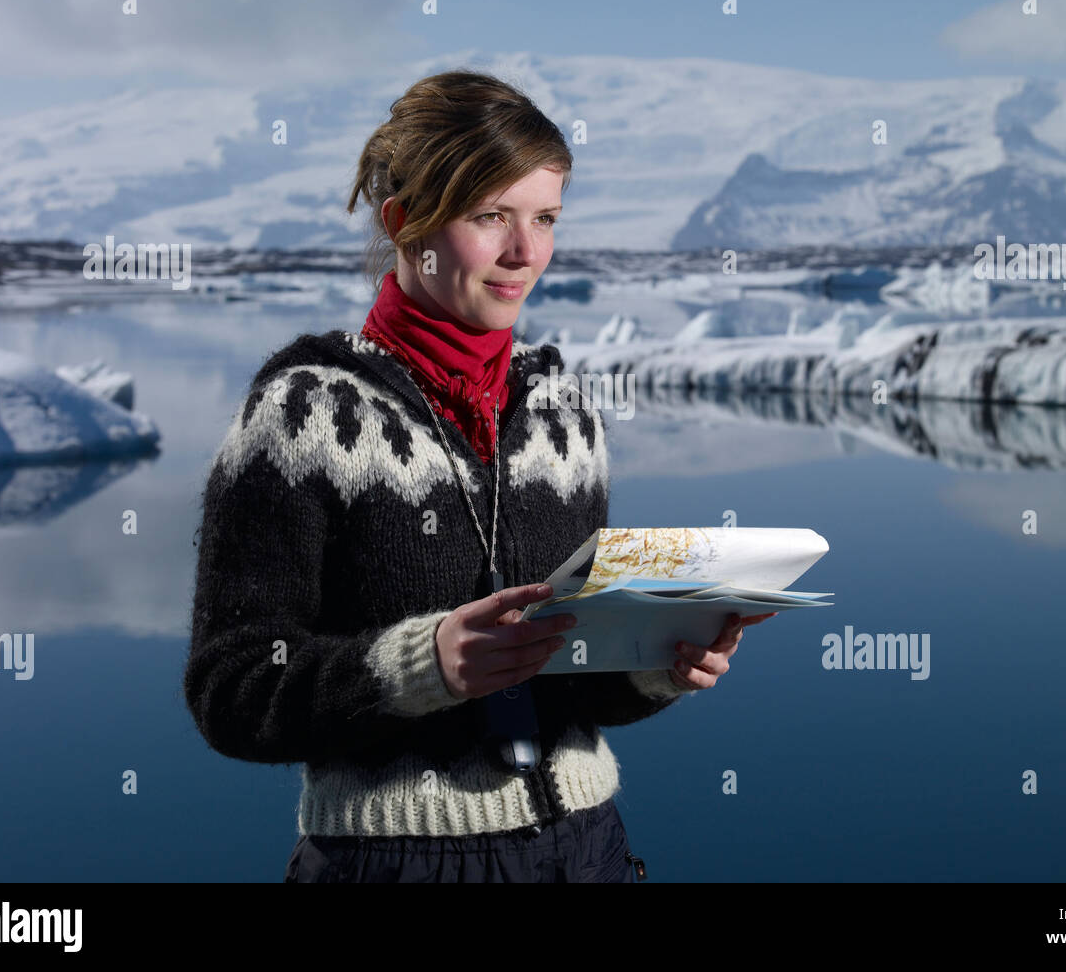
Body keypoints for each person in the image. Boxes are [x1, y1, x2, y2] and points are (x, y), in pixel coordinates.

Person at [183, 70, 775, 883]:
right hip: (391, 864)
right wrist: (424, 663)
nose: (524, 252)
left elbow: (581, 680)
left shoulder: (564, 411)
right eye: (490, 215)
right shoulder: (304, 414)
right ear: (404, 223)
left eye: (544, 218)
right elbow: (234, 688)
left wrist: (659, 664)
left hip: (589, 850)